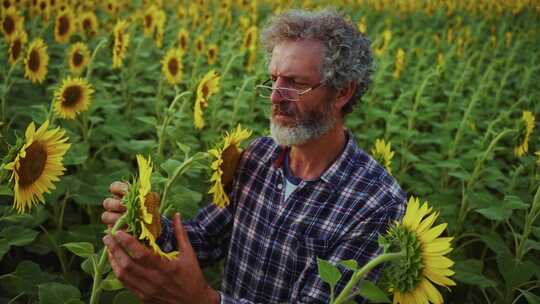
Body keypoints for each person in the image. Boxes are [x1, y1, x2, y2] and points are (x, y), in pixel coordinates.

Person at [101, 9, 406, 304]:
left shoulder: (375, 203)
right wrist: (146, 222)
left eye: (296, 83)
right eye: (273, 79)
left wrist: (202, 300)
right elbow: (205, 238)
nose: (275, 96)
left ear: (342, 92)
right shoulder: (258, 156)